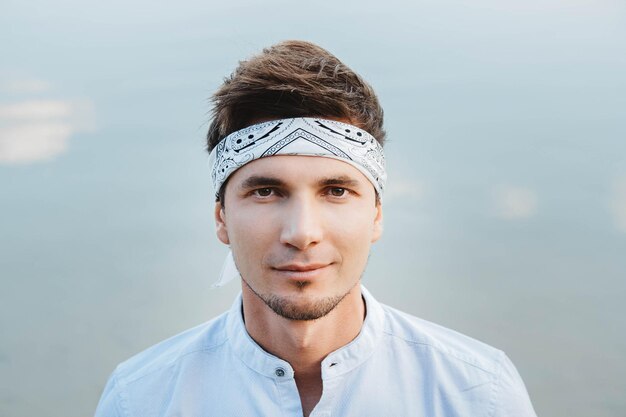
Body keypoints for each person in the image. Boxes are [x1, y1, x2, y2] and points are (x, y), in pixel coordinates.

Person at [95, 40, 537, 417]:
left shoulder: (480, 394)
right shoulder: (141, 398)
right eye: (267, 192)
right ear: (221, 219)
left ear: (377, 215)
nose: (302, 233)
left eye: (337, 191)